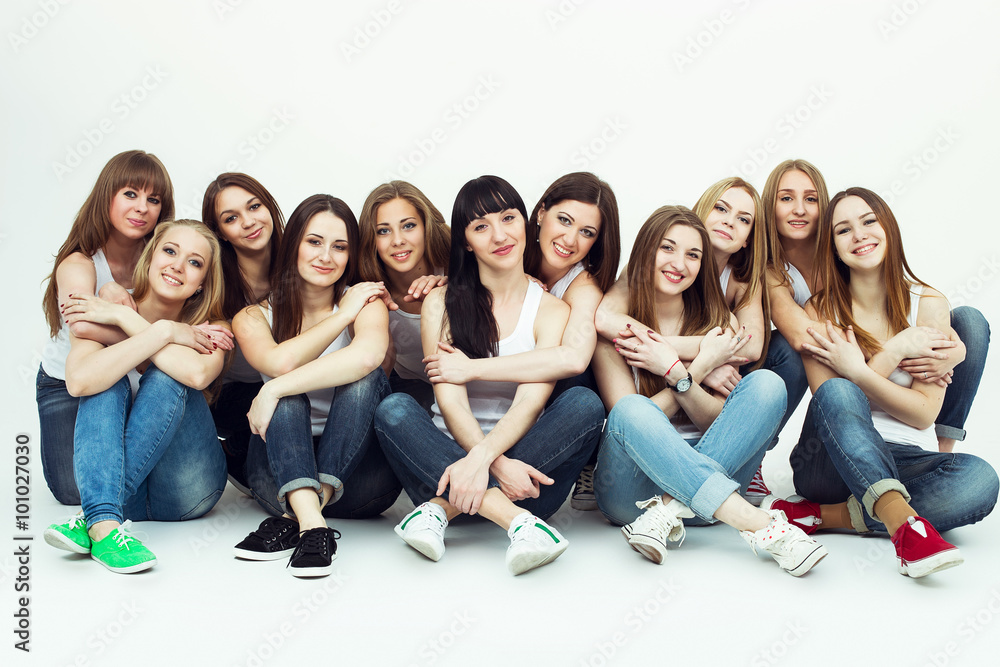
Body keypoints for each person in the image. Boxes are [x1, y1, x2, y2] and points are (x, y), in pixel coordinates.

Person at [374, 175, 604, 575]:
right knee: (393, 409)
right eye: (481, 226)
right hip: (442, 468)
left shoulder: (552, 310)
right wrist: (492, 466)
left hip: (527, 480)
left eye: (508, 218)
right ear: (466, 241)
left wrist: (485, 460)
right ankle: (518, 525)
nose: (500, 235)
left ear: (526, 222)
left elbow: (531, 402)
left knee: (584, 403)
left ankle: (437, 515)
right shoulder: (441, 302)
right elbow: (448, 399)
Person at [763, 188, 998, 578]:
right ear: (833, 246)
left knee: (980, 481)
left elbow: (923, 414)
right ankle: (906, 528)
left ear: (888, 227)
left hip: (904, 457)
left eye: (869, 221)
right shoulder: (820, 309)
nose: (859, 235)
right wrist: (895, 351)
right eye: (843, 230)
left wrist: (858, 367)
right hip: (829, 464)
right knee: (839, 390)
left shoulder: (929, 303)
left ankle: (827, 517)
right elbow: (832, 400)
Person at [592, 205, 826, 576]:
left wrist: (678, 371)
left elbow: (723, 422)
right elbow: (628, 425)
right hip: (632, 493)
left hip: (708, 479)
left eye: (693, 255)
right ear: (645, 251)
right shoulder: (615, 339)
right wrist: (691, 369)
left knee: (767, 383)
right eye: (667, 248)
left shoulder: (720, 326)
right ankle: (759, 524)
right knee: (631, 409)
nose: (678, 263)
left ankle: (668, 509)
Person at [422, 172, 621, 510]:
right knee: (396, 409)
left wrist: (472, 369)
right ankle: (497, 487)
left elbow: (572, 360)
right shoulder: (508, 249)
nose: (570, 240)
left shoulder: (580, 288)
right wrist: (446, 282)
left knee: (583, 393)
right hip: (475, 419)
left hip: (542, 404)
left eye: (586, 232)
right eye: (564, 220)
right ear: (540, 214)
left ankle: (448, 506)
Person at [43, 220, 233, 573]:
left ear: (203, 282)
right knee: (106, 375)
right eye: (170, 251)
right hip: (120, 501)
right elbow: (80, 381)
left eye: (194, 262)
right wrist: (163, 331)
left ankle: (93, 515)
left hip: (186, 491)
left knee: (169, 375)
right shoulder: (102, 309)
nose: (177, 266)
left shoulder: (213, 327)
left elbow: (195, 373)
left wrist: (143, 325)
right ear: (150, 257)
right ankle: (104, 525)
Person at [762, 159, 988, 454]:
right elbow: (805, 336)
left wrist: (953, 349)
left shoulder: (851, 255)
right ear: (770, 207)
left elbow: (885, 311)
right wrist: (899, 345)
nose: (800, 209)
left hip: (870, 383)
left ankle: (942, 447)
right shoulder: (772, 270)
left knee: (970, 322)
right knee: (795, 353)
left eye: (811, 199)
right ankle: (759, 451)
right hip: (831, 387)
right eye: (786, 198)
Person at [231, 194, 397, 578]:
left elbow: (368, 357)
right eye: (314, 242)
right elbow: (281, 363)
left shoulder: (365, 302)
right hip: (278, 471)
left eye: (340, 247)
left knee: (361, 379)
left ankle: (303, 517)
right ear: (293, 246)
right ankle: (315, 527)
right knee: (285, 391)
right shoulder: (253, 315)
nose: (326, 256)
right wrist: (343, 317)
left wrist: (270, 390)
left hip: (361, 481)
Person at [38, 149, 176, 506]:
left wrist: (118, 317)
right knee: (73, 492)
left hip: (138, 379)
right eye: (130, 194)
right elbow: (83, 326)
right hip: (69, 386)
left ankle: (107, 505)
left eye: (153, 199)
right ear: (107, 196)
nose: (142, 207)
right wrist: (164, 332)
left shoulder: (164, 259)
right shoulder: (80, 261)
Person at [202, 172, 285, 492]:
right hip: (229, 395)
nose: (248, 222)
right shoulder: (211, 278)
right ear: (220, 232)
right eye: (231, 218)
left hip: (288, 386)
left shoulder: (303, 256)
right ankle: (231, 450)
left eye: (254, 207)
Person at [357, 180, 450, 414]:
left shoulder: (457, 268)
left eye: (408, 226)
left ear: (426, 226)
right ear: (372, 239)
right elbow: (378, 378)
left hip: (470, 383)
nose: (397, 240)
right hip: (411, 389)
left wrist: (457, 291)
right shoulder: (370, 294)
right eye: (384, 231)